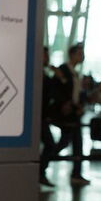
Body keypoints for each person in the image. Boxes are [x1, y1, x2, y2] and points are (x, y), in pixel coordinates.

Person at [50, 43, 89, 185]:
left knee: (76, 143)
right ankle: (44, 161)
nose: (82, 56)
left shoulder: (75, 73)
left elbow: (75, 93)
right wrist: (67, 104)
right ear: (72, 54)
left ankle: (76, 173)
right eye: (79, 53)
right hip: (66, 113)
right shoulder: (64, 70)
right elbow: (57, 90)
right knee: (66, 141)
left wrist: (79, 104)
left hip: (74, 112)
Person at [40, 45, 59, 186]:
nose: (47, 58)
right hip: (40, 119)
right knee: (50, 144)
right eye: (45, 55)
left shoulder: (45, 75)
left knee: (50, 145)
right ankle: (40, 172)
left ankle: (40, 172)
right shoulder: (40, 76)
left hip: (43, 117)